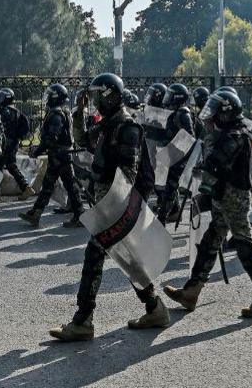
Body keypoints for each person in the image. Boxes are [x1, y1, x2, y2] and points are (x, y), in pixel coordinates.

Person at [48, 73, 168, 342]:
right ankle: (155, 307)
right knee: (128, 259)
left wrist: (112, 208)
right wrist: (78, 114)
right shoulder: (108, 125)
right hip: (106, 203)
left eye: (97, 96)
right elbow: (83, 141)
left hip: (116, 206)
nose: (94, 101)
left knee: (94, 256)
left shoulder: (127, 127)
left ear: (110, 95)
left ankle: (83, 321)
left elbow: (129, 174)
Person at [163, 89, 252, 318]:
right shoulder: (228, 133)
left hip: (233, 196)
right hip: (223, 194)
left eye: (213, 114)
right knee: (210, 241)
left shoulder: (234, 137)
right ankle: (192, 290)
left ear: (225, 114)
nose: (209, 119)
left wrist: (208, 142)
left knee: (244, 244)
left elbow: (215, 163)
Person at [20, 84, 84, 228]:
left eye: (49, 95)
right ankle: (36, 213)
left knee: (70, 186)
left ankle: (80, 214)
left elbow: (51, 138)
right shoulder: (59, 112)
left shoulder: (56, 115)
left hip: (61, 156)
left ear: (55, 97)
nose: (47, 97)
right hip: (58, 155)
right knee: (48, 185)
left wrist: (37, 151)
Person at [158, 83, 194, 223]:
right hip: (175, 158)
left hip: (180, 160)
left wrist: (178, 159)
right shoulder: (177, 113)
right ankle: (169, 214)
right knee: (170, 190)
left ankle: (161, 219)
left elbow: (189, 138)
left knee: (170, 190)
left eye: (170, 95)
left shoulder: (183, 114)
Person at [0, 88, 34, 200]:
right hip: (14, 143)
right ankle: (26, 188)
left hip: (6, 144)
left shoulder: (5, 111)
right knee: (9, 166)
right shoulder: (16, 111)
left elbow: (1, 129)